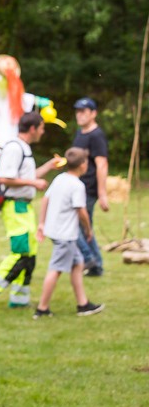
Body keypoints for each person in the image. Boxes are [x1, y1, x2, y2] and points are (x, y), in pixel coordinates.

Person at [0, 112, 60, 311]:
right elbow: (5, 178)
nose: (42, 131)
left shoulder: (24, 148)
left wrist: (47, 167)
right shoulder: (14, 148)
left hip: (25, 206)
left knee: (30, 254)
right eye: (41, 128)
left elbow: (26, 176)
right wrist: (34, 182)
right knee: (20, 252)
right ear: (32, 128)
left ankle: (19, 299)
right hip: (15, 206)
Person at [33, 148, 105, 318]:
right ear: (82, 165)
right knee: (56, 269)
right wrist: (88, 230)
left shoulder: (60, 179)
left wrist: (42, 223)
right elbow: (82, 211)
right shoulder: (77, 185)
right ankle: (42, 309)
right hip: (65, 234)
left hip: (55, 231)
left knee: (77, 264)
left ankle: (83, 304)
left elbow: (45, 199)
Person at [72, 97, 109, 276]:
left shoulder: (96, 135)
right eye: (78, 111)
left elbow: (102, 164)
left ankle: (90, 260)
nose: (79, 115)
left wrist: (102, 193)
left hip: (89, 189)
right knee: (85, 226)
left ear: (93, 114)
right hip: (77, 186)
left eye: (83, 112)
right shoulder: (81, 133)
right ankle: (96, 265)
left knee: (77, 226)